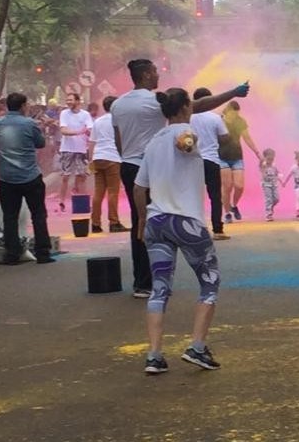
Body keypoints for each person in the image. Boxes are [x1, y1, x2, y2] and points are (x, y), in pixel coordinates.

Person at [112, 58, 247, 299]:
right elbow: (197, 105)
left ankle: (143, 283)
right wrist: (232, 93)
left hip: (130, 166)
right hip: (155, 166)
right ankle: (168, 273)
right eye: (154, 72)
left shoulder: (118, 105)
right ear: (144, 76)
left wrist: (128, 158)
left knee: (140, 222)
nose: (158, 75)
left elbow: (118, 139)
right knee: (166, 215)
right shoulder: (157, 101)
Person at [133, 88, 222, 374]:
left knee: (159, 289)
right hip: (186, 222)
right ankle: (197, 347)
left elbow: (138, 188)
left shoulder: (153, 142)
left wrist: (140, 221)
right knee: (209, 283)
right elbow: (186, 140)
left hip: (157, 222)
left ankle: (154, 356)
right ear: (186, 107)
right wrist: (187, 142)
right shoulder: (184, 131)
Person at [0, 93, 54, 264]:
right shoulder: (29, 123)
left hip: (6, 177)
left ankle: (11, 254)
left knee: (10, 216)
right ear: (22, 106)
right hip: (30, 175)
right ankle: (43, 253)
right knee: (38, 214)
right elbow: (40, 143)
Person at [190, 88, 230, 239]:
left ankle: (194, 229)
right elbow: (225, 137)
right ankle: (218, 230)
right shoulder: (215, 118)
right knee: (215, 196)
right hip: (211, 160)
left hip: (192, 161)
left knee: (193, 196)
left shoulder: (188, 117)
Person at [88, 96, 127, 234]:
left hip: (98, 157)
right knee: (112, 191)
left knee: (98, 192)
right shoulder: (119, 121)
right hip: (113, 157)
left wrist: (91, 160)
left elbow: (92, 141)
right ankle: (114, 222)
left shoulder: (97, 121)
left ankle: (95, 224)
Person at [219, 101, 261, 223]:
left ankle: (234, 205)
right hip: (221, 157)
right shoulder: (219, 120)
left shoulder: (240, 121)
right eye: (233, 113)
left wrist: (257, 152)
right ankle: (227, 213)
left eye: (237, 114)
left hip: (237, 157)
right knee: (227, 186)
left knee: (239, 185)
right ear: (228, 111)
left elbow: (246, 137)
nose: (235, 116)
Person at [56, 93, 93, 212]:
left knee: (81, 176)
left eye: (71, 100)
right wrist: (79, 132)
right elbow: (63, 130)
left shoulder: (85, 114)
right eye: (67, 100)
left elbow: (90, 129)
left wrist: (88, 133)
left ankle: (82, 202)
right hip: (67, 149)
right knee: (65, 176)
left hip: (81, 149)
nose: (68, 102)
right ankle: (61, 202)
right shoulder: (64, 113)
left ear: (78, 101)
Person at [260, 148, 281, 222]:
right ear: (265, 157)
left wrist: (281, 180)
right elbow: (261, 167)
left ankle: (270, 208)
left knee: (276, 199)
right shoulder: (263, 165)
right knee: (269, 199)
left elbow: (277, 173)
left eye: (272, 158)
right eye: (269, 158)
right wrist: (262, 161)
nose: (271, 159)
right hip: (266, 185)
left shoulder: (274, 166)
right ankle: (268, 214)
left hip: (274, 185)